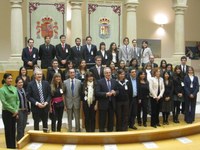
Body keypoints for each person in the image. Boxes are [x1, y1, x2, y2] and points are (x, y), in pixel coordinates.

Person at [96, 67, 119, 132]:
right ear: (104, 74)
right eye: (106, 73)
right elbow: (97, 93)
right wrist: (106, 94)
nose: (108, 74)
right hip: (103, 103)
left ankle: (110, 131)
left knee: (111, 119)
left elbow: (118, 90)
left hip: (112, 103)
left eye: (109, 73)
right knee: (102, 119)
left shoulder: (114, 81)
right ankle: (102, 131)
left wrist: (115, 92)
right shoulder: (100, 82)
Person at [0, 73, 19, 149]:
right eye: (8, 78)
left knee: (13, 130)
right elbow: (4, 102)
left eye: (11, 78)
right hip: (7, 113)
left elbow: (17, 100)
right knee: (8, 131)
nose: (10, 80)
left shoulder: (14, 88)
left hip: (15, 112)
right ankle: (9, 147)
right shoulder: (1, 90)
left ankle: (13, 147)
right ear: (5, 79)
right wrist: (13, 110)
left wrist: (16, 110)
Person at [16, 77, 30, 141]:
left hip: (25, 110)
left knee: (24, 125)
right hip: (19, 110)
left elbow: (26, 100)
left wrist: (28, 109)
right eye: (19, 82)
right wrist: (16, 113)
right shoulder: (15, 91)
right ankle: (20, 140)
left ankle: (20, 138)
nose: (20, 84)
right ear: (16, 83)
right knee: (20, 126)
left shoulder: (23, 90)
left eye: (21, 82)